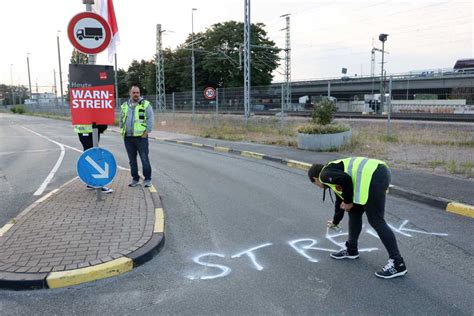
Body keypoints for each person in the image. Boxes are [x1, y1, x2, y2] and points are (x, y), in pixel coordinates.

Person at [308, 157, 407, 279]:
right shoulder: (331, 174)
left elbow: (346, 180)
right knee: (354, 212)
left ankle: (398, 263)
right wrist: (335, 221)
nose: (318, 186)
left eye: (315, 184)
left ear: (315, 179)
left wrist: (349, 201)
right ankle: (351, 249)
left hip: (375, 175)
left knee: (376, 220)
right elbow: (340, 200)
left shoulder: (325, 175)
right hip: (375, 174)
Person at [120, 86, 154, 187]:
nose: (136, 94)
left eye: (138, 93)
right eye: (134, 92)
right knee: (132, 160)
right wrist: (123, 131)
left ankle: (147, 179)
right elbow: (122, 120)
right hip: (128, 137)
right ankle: (135, 179)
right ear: (130, 93)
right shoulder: (124, 105)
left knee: (144, 158)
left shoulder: (145, 105)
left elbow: (150, 120)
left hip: (141, 137)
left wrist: (146, 133)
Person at [75, 124, 113, 193]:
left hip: (92, 129)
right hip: (87, 130)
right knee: (92, 157)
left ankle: (91, 183)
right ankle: (97, 185)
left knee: (90, 156)